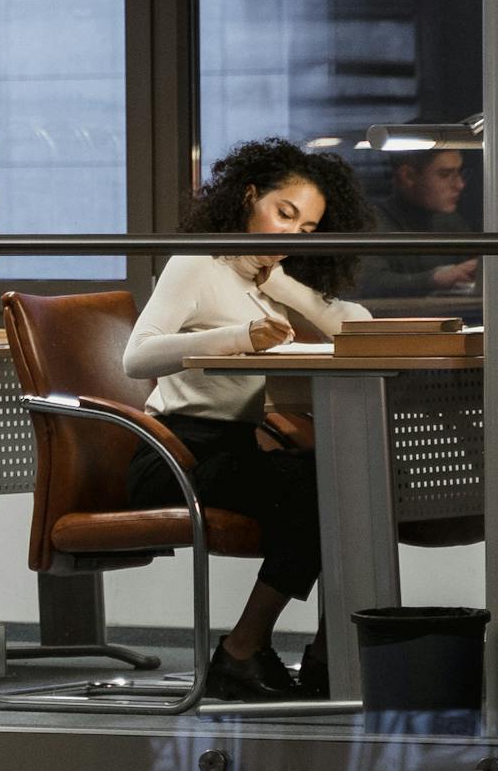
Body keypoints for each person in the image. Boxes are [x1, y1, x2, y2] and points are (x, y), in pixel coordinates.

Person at [122, 138, 374, 701]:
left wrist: (277, 279)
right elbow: (135, 358)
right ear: (249, 196)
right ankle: (241, 650)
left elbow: (355, 323)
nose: (290, 236)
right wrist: (240, 337)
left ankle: (328, 656)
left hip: (235, 449)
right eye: (284, 215)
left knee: (346, 487)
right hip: (176, 454)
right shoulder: (197, 262)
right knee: (320, 492)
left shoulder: (259, 283)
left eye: (306, 230)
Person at [362, 149, 478, 299]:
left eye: (460, 173)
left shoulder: (450, 222)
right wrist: (434, 279)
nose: (459, 185)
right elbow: (367, 284)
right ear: (408, 176)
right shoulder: (371, 223)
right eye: (445, 175)